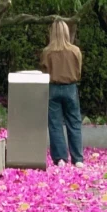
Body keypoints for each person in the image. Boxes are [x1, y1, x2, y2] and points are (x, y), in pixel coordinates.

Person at [39, 19, 84, 167]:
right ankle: (77, 159)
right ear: (66, 32)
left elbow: (44, 71)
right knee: (74, 123)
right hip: (70, 88)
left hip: (52, 88)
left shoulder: (47, 52)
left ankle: (60, 158)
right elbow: (78, 71)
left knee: (55, 124)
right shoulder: (75, 51)